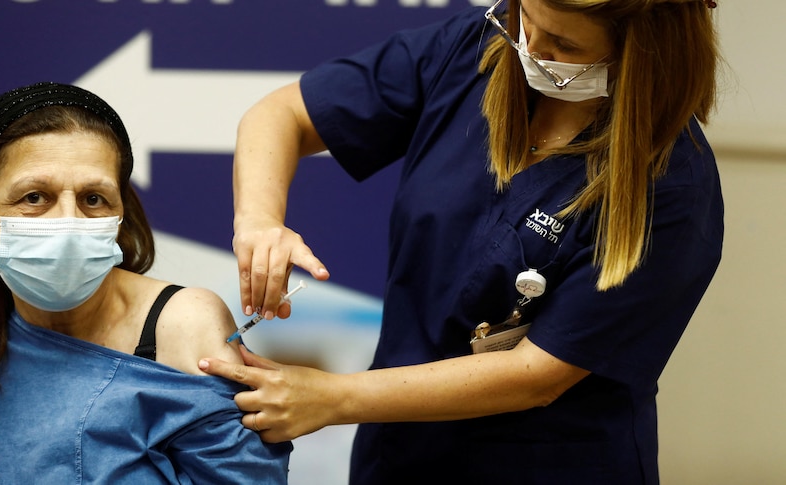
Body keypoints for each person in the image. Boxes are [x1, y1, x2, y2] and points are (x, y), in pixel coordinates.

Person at [199, 0, 724, 483]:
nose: (530, 51)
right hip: (398, 455)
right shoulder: (477, 50)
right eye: (524, 19)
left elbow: (537, 374)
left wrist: (333, 397)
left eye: (564, 47)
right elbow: (280, 114)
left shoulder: (672, 186)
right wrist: (260, 222)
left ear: (647, 47)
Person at [0, 82, 292, 484]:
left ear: (120, 213)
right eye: (34, 197)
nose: (68, 223)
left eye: (93, 199)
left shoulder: (183, 328)